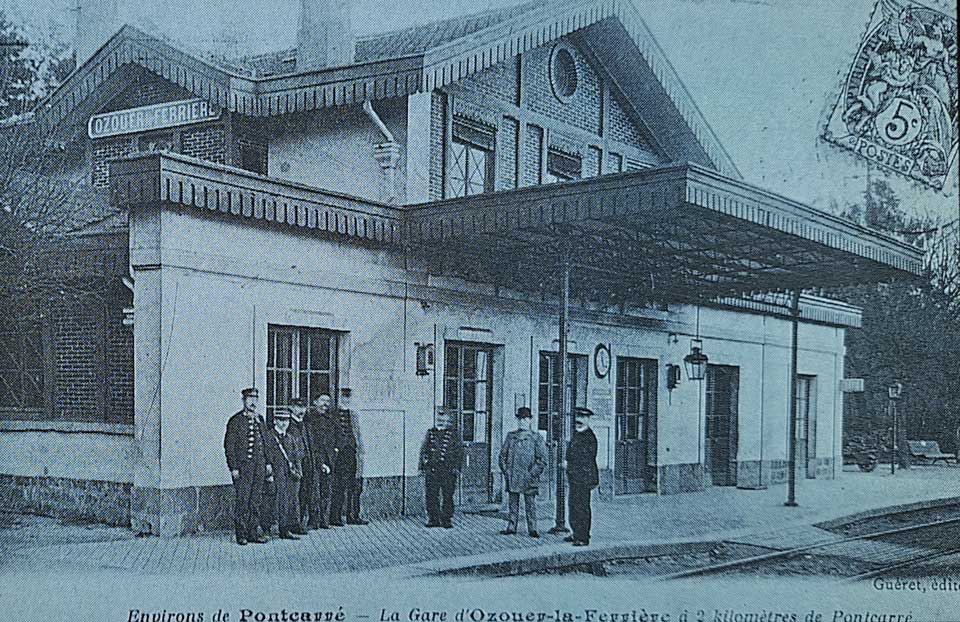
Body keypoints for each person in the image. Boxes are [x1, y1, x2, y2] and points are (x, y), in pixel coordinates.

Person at [223, 387, 270, 545]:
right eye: (250, 399)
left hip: (259, 466)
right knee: (243, 500)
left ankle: (253, 532)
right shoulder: (235, 421)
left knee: (256, 500)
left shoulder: (260, 420)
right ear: (244, 401)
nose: (253, 402)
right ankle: (241, 534)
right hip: (244, 468)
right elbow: (229, 446)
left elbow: (266, 443)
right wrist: (233, 467)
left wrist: (268, 463)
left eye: (255, 399)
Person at [498, 406, 547, 538]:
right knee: (513, 503)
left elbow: (542, 460)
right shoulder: (511, 437)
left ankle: (532, 528)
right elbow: (502, 456)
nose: (522, 422)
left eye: (525, 419)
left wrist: (532, 473)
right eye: (520, 419)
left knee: (530, 504)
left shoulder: (536, 438)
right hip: (513, 475)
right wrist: (506, 471)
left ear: (530, 420)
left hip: (529, 476)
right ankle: (511, 526)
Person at [264, 407, 306, 540]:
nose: (283, 423)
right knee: (270, 502)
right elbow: (265, 456)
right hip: (275, 475)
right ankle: (266, 528)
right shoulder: (269, 437)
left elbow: (297, 456)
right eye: (280, 420)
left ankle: (284, 529)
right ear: (275, 421)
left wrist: (298, 472)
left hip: (288, 476)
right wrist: (268, 473)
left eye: (286, 420)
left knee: (286, 502)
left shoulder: (290, 438)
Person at [419, 409, 463, 528]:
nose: (441, 422)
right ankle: (433, 519)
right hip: (433, 469)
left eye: (443, 420)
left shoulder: (453, 434)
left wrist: (457, 467)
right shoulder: (431, 433)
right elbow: (424, 450)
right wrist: (423, 466)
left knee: (447, 496)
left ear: (448, 422)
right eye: (439, 420)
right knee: (431, 495)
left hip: (448, 470)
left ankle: (446, 519)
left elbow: (459, 452)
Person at [330, 388, 368, 525]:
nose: (346, 399)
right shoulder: (333, 414)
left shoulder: (353, 415)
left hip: (353, 453)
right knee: (339, 486)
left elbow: (358, 434)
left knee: (355, 486)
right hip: (339, 454)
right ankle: (335, 517)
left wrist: (360, 451)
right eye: (343, 397)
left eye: (348, 397)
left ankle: (353, 516)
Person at [565, 406, 598, 547]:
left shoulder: (589, 437)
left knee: (582, 506)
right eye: (578, 417)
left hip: (584, 477)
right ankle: (576, 532)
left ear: (588, 420)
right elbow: (571, 452)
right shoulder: (577, 434)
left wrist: (571, 465)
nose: (579, 420)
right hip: (575, 477)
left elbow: (586, 459)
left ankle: (583, 537)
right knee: (573, 505)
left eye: (583, 418)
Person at [306, 393, 338, 529]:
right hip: (314, 459)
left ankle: (324, 520)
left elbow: (338, 436)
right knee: (314, 491)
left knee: (326, 491)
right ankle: (314, 521)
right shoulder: (309, 419)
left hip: (329, 459)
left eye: (328, 401)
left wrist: (335, 450)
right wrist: (320, 462)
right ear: (315, 402)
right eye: (322, 401)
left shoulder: (330, 419)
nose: (325, 404)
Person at [288, 398, 313, 534]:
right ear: (291, 408)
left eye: (303, 407)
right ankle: (292, 524)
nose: (302, 410)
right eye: (298, 407)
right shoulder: (288, 424)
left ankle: (300, 522)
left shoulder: (305, 425)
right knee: (293, 495)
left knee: (304, 493)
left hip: (307, 463)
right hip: (295, 464)